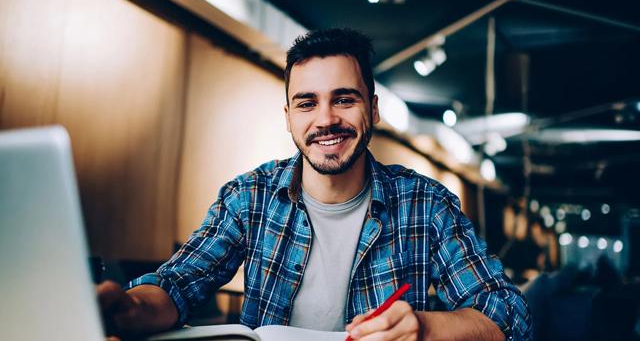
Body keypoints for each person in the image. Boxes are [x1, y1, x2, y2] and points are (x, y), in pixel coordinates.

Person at [98, 28, 532, 340]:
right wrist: (130, 309)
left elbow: (510, 317)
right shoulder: (249, 197)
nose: (326, 119)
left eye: (344, 99)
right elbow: (179, 284)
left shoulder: (427, 204)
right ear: (288, 116)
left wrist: (425, 327)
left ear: (373, 109)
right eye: (307, 103)